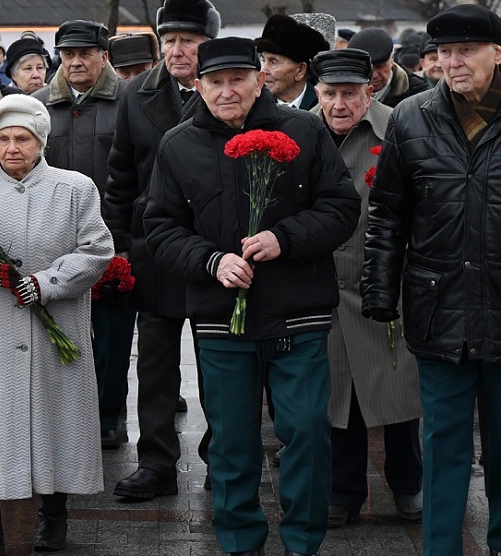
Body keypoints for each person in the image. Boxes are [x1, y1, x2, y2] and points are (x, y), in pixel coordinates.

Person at [144, 36, 359, 556]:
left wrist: (283, 238)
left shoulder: (303, 129)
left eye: (237, 79)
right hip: (222, 319)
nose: (226, 91)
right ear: (198, 85)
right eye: (214, 82)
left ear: (260, 79)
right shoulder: (178, 144)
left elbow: (340, 208)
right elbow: (161, 227)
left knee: (307, 433)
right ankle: (241, 543)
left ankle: (303, 543)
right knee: (233, 445)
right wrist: (211, 261)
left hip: (298, 313)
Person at [0, 93, 111, 556]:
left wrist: (47, 282)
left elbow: (96, 251)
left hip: (58, 324)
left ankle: (55, 516)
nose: (13, 148)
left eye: (23, 139)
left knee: (60, 419)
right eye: (4, 139)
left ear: (40, 141)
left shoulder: (75, 188)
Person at [361, 4, 501, 556]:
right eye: (444, 52)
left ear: (497, 52)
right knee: (442, 445)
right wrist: (379, 289)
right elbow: (389, 213)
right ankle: (441, 548)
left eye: (465, 50)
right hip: (438, 307)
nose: (452, 62)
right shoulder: (411, 117)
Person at [105, 0, 217, 501]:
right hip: (153, 248)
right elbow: (120, 176)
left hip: (215, 251)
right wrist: (119, 245)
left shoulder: (227, 91)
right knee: (153, 367)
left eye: (187, 41)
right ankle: (156, 464)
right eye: (169, 40)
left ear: (207, 45)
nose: (176, 50)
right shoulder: (137, 94)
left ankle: (224, 458)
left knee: (220, 364)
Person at [307, 48, 422, 529]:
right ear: (317, 93)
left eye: (350, 94)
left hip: (382, 287)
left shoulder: (399, 127)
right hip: (322, 291)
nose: (339, 104)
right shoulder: (301, 131)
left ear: (369, 92)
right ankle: (342, 491)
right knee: (337, 401)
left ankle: (409, 484)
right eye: (330, 93)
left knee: (397, 395)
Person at [32, 20, 131, 450]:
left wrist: (125, 239)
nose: (75, 61)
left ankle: (109, 416)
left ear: (103, 56)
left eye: (85, 53)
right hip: (51, 240)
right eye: (67, 53)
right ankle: (60, 419)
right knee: (55, 332)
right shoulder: (37, 105)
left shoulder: (128, 101)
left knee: (111, 336)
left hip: (111, 237)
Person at [254, 14, 328, 109]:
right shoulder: (254, 106)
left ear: (300, 70)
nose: (263, 71)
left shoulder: (323, 106)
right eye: (263, 60)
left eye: (273, 62)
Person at [347, 28, 427, 108]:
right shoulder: (341, 92)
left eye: (380, 67)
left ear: (392, 59)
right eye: (366, 68)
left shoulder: (417, 95)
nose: (374, 75)